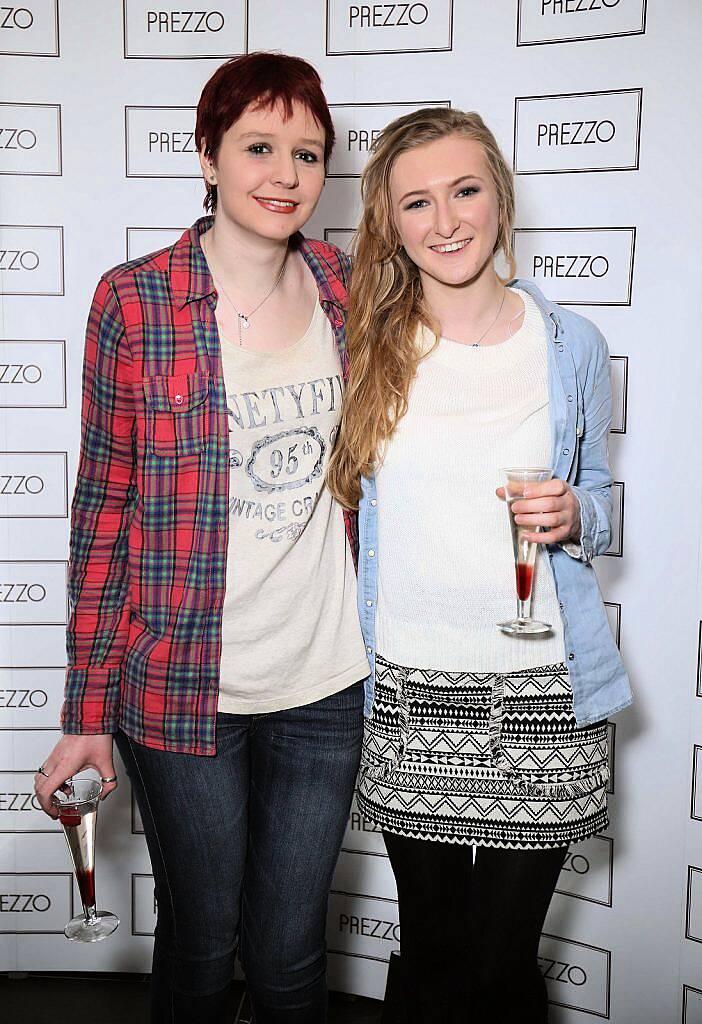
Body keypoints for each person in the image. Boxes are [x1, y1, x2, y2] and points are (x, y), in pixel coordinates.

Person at [34, 52, 369, 1023]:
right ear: (209, 155)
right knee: (200, 943)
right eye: (259, 146)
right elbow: (101, 513)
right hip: (181, 691)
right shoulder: (133, 301)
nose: (285, 174)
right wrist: (85, 707)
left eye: (307, 153)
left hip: (325, 685)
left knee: (292, 956)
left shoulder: (349, 292)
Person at [327, 107, 632, 1024]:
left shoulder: (570, 344)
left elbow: (606, 504)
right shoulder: (364, 345)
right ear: (390, 219)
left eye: (465, 190)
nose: (446, 220)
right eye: (416, 201)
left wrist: (581, 512)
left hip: (542, 690)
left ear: (501, 197)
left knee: (502, 964)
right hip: (414, 689)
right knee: (427, 950)